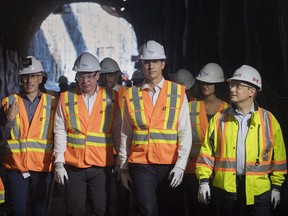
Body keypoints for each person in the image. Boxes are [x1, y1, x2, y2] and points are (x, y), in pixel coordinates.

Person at [196, 65, 287, 216]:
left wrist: (277, 187)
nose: (232, 89)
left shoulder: (268, 120)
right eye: (232, 85)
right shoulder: (219, 119)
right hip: (226, 190)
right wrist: (204, 181)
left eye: (238, 86)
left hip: (259, 192)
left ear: (252, 91)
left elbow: (279, 157)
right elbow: (207, 153)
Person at [119, 40, 192, 216]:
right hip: (141, 163)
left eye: (156, 61)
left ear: (163, 63)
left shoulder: (177, 92)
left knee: (169, 210)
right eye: (146, 62)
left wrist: (181, 165)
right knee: (147, 211)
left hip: (169, 164)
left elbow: (185, 132)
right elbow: (126, 133)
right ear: (141, 64)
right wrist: (123, 167)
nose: (151, 66)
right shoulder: (131, 94)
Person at [53, 52, 121, 216]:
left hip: (101, 166)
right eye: (81, 76)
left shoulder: (112, 97)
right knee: (75, 210)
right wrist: (59, 162)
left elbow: (118, 130)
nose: (85, 81)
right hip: (74, 166)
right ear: (76, 76)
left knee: (100, 209)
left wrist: (120, 159)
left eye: (90, 76)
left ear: (98, 75)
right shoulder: (66, 98)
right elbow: (60, 129)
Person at [0, 56, 57, 215]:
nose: (29, 80)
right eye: (25, 76)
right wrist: (9, 119)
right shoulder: (9, 102)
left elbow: (59, 134)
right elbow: (1, 138)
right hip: (16, 167)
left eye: (33, 76)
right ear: (20, 79)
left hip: (42, 168)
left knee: (40, 211)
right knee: (17, 211)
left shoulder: (53, 103)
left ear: (40, 78)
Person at [184, 63, 229, 216]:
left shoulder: (227, 109)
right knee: (196, 208)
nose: (205, 86)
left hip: (219, 169)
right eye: (202, 82)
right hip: (193, 168)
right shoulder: (191, 106)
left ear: (217, 84)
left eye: (209, 83)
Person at [99, 57, 131, 216]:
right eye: (103, 75)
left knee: (123, 190)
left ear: (118, 74)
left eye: (110, 74)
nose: (107, 78)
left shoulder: (127, 93)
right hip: (103, 149)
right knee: (101, 191)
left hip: (123, 149)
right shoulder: (96, 94)